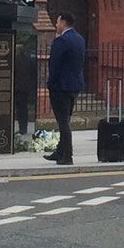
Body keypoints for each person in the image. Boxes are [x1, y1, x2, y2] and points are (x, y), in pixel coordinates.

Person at [46, 10, 86, 164]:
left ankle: (67, 155)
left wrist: (51, 83)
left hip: (61, 87)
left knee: (63, 122)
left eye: (57, 22)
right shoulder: (80, 39)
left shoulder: (61, 41)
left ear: (63, 22)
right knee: (66, 119)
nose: (56, 25)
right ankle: (60, 150)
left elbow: (54, 65)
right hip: (75, 85)